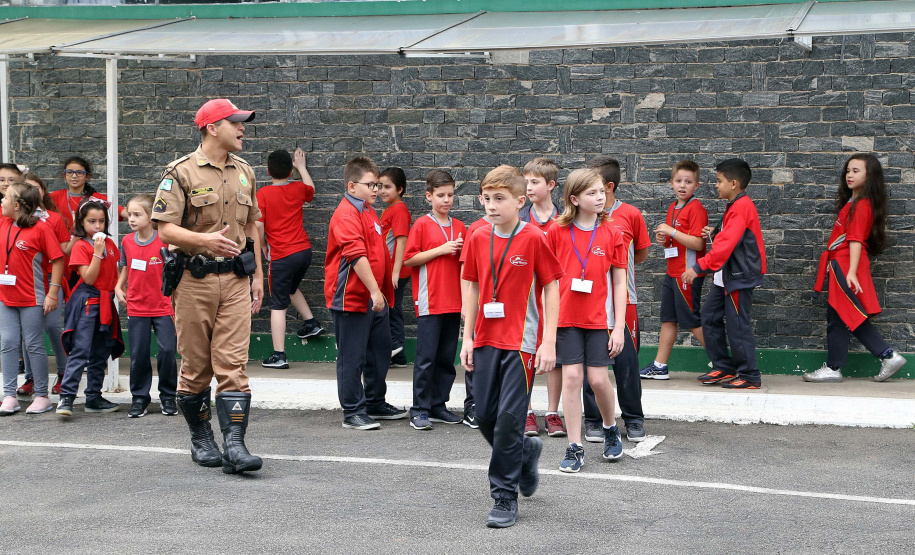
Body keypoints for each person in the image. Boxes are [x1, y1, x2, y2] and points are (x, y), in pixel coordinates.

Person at [152, 98, 264, 474]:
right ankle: (201, 439)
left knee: (233, 364)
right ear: (212, 128)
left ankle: (235, 445)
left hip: (236, 279)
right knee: (197, 367)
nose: (242, 128)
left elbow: (251, 226)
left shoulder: (245, 171)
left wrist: (258, 276)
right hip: (193, 281)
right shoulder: (180, 172)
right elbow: (165, 229)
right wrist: (204, 241)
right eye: (236, 122)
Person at [460, 165, 563, 528]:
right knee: (485, 416)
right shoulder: (477, 236)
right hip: (485, 339)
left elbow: (552, 287)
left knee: (508, 421)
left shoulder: (534, 237)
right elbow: (472, 285)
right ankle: (524, 453)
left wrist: (549, 340)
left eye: (499, 199)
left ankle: (504, 496)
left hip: (522, 343)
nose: (491, 205)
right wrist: (467, 336)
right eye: (486, 198)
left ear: (520, 202)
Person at [546, 169, 627, 472]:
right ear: (575, 199)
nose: (600, 197)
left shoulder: (612, 232)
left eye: (601, 191)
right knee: (571, 379)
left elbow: (619, 282)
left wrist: (618, 327)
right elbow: (546, 281)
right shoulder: (556, 231)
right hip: (565, 320)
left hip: (596, 321)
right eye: (592, 193)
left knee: (598, 381)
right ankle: (574, 446)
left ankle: (609, 427)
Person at [803, 154, 907, 383]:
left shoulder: (861, 205)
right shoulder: (855, 202)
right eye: (848, 170)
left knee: (849, 313)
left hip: (845, 263)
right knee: (838, 315)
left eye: (856, 171)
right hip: (843, 262)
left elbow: (856, 239)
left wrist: (850, 271)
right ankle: (834, 367)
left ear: (870, 176)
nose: (849, 175)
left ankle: (887, 355)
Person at [325, 155, 406, 430]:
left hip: (374, 297)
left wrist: (380, 292)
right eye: (370, 185)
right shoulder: (346, 214)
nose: (376, 190)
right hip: (352, 298)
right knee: (352, 357)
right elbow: (356, 255)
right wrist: (374, 291)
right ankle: (353, 411)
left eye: (378, 184)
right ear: (352, 186)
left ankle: (374, 402)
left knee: (379, 352)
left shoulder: (369, 211)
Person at [682, 159, 767, 389]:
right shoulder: (736, 204)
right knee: (709, 316)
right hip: (728, 275)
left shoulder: (741, 207)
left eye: (719, 181)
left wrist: (698, 267)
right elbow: (732, 236)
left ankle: (749, 375)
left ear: (734, 183)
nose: (716, 185)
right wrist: (715, 231)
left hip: (739, 276)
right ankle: (724, 366)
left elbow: (726, 246)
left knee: (738, 325)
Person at [582, 156, 649, 443]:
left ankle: (633, 418)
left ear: (608, 187)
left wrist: (619, 274)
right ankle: (593, 420)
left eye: (595, 183)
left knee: (626, 364)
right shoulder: (580, 216)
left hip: (625, 302)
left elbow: (641, 253)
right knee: (590, 365)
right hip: (589, 304)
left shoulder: (630, 214)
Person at [403, 170, 466, 430]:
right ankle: (419, 409)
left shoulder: (460, 226)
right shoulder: (421, 224)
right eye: (441, 195)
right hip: (430, 300)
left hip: (454, 301)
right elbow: (409, 259)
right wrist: (441, 249)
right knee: (426, 358)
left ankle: (439, 405)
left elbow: (464, 266)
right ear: (429, 196)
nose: (446, 200)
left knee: (446, 358)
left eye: (450, 195)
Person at [0, 184, 65, 415]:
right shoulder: (4, 223)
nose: (2, 200)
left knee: (33, 344)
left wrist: (52, 293)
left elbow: (58, 259)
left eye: (5, 197)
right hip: (5, 296)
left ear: (17, 205)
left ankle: (42, 396)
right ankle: (9, 395)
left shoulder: (41, 228)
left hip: (32, 297)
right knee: (8, 342)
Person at [56, 197, 124, 417]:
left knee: (101, 350)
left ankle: (93, 397)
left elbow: (116, 271)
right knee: (81, 349)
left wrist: (121, 289)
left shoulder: (110, 244)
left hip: (106, 300)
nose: (97, 226)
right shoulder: (81, 246)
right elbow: (89, 278)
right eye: (92, 221)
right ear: (81, 223)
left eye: (101, 221)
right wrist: (97, 252)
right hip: (87, 300)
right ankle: (66, 397)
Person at [257, 148, 324, 369]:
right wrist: (302, 168)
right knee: (290, 288)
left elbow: (258, 225)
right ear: (290, 172)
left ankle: (279, 355)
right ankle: (311, 323)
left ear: (268, 171)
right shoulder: (298, 188)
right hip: (304, 252)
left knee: (278, 304)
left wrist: (264, 246)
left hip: (282, 256)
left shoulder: (263, 194)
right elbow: (311, 189)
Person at [641, 160, 708, 379]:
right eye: (679, 181)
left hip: (687, 274)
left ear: (696, 185)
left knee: (692, 320)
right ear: (671, 183)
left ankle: (723, 364)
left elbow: (698, 243)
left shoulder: (696, 208)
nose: (682, 185)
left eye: (688, 182)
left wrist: (671, 231)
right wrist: (664, 239)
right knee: (668, 319)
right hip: (672, 273)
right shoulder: (673, 207)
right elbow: (675, 241)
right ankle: (659, 366)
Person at [114, 194, 178, 418]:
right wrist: (118, 286)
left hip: (164, 306)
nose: (131, 219)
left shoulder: (165, 240)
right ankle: (139, 398)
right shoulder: (126, 241)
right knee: (139, 354)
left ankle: (168, 396)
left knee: (167, 351)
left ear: (151, 217)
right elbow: (126, 267)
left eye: (137, 214)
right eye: (129, 214)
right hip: (137, 306)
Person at [520, 157, 566, 438]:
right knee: (526, 353)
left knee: (554, 355)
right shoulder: (520, 218)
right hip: (526, 298)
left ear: (550, 185)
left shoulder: (564, 219)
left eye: (534, 182)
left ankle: (552, 412)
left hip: (555, 295)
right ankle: (526, 411)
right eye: (525, 182)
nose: (528, 187)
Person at [16, 172, 72, 397]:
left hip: (49, 279)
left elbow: (63, 251)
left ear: (42, 191)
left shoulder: (54, 219)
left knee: (52, 325)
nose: (31, 191)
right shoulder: (15, 220)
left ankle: (64, 372)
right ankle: (30, 377)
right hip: (27, 280)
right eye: (26, 187)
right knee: (28, 330)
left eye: (35, 187)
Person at [378, 166, 412, 368]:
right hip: (391, 269)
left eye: (387, 187)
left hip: (394, 270)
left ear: (399, 189)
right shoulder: (391, 208)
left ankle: (395, 347)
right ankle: (398, 357)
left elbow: (401, 241)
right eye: (380, 186)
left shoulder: (399, 209)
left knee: (391, 308)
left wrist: (395, 272)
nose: (382, 190)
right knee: (391, 308)